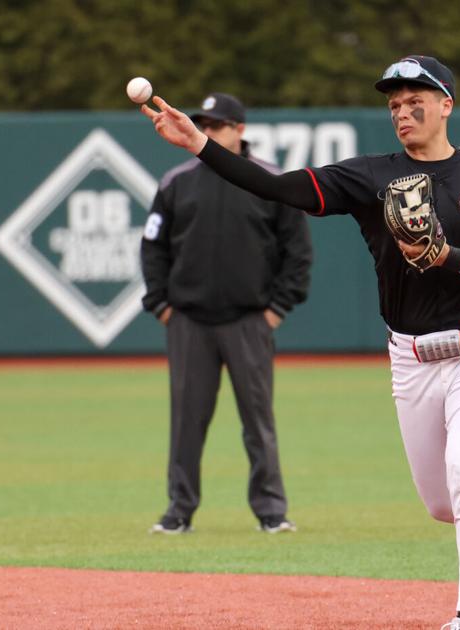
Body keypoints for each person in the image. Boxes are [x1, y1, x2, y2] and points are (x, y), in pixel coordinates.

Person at [140, 57, 460, 629]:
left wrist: (448, 256)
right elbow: (277, 187)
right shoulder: (371, 177)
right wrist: (201, 147)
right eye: (394, 105)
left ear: (447, 103)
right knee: (442, 504)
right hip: (411, 356)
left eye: (415, 101)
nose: (403, 112)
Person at [140, 92, 312, 537]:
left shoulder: (271, 180)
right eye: (204, 124)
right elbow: (153, 247)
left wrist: (276, 310)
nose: (208, 131)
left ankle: (271, 512)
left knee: (258, 421)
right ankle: (179, 511)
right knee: (186, 421)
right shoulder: (177, 181)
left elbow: (298, 253)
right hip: (190, 322)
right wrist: (161, 305)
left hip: (249, 320)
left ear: (240, 129)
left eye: (217, 125)